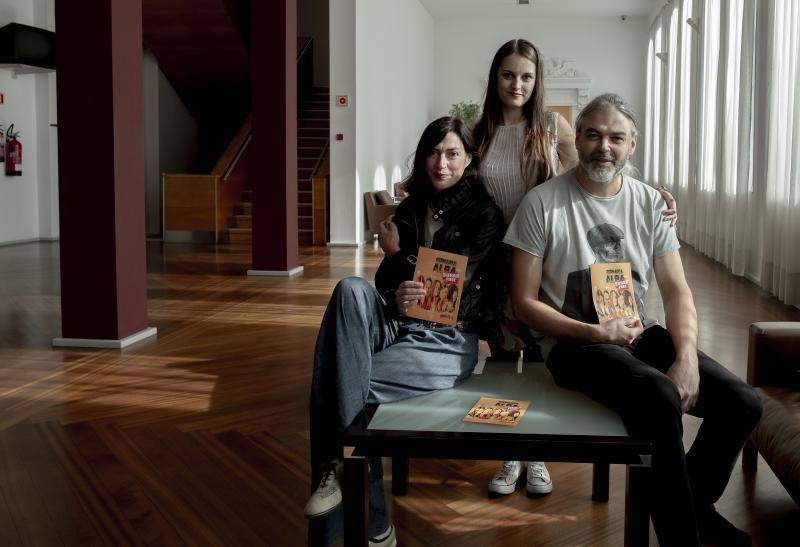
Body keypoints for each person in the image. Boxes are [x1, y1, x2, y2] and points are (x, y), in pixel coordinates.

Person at [504, 93, 762, 546]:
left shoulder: (650, 204)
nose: (605, 146)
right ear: (577, 140)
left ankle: (693, 509)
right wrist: (593, 331)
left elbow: (677, 290)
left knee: (743, 402)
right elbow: (524, 303)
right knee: (660, 395)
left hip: (637, 333)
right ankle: (684, 536)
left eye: (616, 137)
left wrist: (685, 356)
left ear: (632, 145)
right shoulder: (541, 203)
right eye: (594, 135)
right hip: (573, 345)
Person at [474, 37, 678, 499]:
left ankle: (538, 452)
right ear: (495, 78)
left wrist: (656, 198)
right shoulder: (477, 131)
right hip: (495, 263)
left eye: (526, 76)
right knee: (507, 365)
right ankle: (511, 451)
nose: (517, 84)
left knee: (546, 364)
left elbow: (599, 166)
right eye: (508, 74)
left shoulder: (551, 126)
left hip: (545, 254)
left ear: (537, 81)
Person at [305, 116, 504, 547]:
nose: (442, 163)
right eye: (434, 152)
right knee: (350, 289)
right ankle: (369, 519)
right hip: (399, 322)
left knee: (334, 384)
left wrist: (396, 254)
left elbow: (457, 285)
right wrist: (395, 291)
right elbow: (386, 284)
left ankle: (355, 523)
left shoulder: (484, 213)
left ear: (469, 159)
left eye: (453, 154)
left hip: (446, 338)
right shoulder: (411, 207)